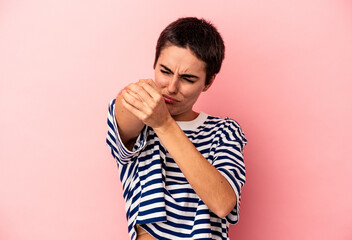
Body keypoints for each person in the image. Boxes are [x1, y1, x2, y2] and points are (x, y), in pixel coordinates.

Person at [106, 17, 247, 240]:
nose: (171, 87)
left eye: (187, 78)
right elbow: (126, 106)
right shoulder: (140, 115)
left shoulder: (225, 131)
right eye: (165, 71)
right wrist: (155, 115)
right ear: (154, 64)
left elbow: (222, 204)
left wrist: (164, 124)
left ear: (208, 82)